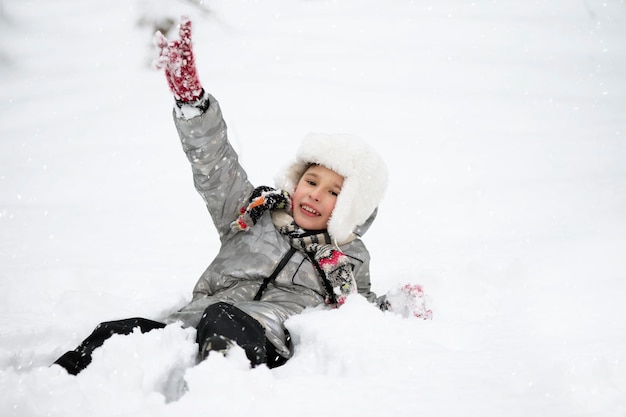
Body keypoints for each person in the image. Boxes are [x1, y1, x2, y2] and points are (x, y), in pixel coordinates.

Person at [53, 17, 428, 376]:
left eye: (333, 192)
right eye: (311, 181)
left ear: (350, 208)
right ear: (295, 182)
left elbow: (361, 307)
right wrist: (192, 103)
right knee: (120, 331)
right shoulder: (252, 215)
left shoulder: (346, 259)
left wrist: (398, 307)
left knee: (222, 318)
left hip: (262, 336)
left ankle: (213, 395)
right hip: (190, 323)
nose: (315, 195)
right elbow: (216, 167)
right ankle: (61, 383)